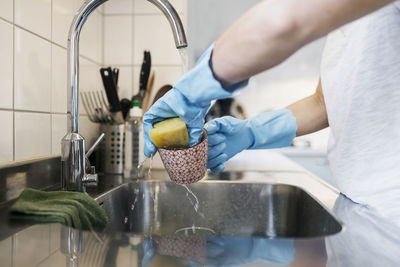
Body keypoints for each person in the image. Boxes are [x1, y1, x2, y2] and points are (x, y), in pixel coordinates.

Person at [143, 0, 400, 222]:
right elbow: (325, 102)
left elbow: (282, 22)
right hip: (360, 204)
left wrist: (193, 91)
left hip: (391, 210)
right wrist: (252, 132)